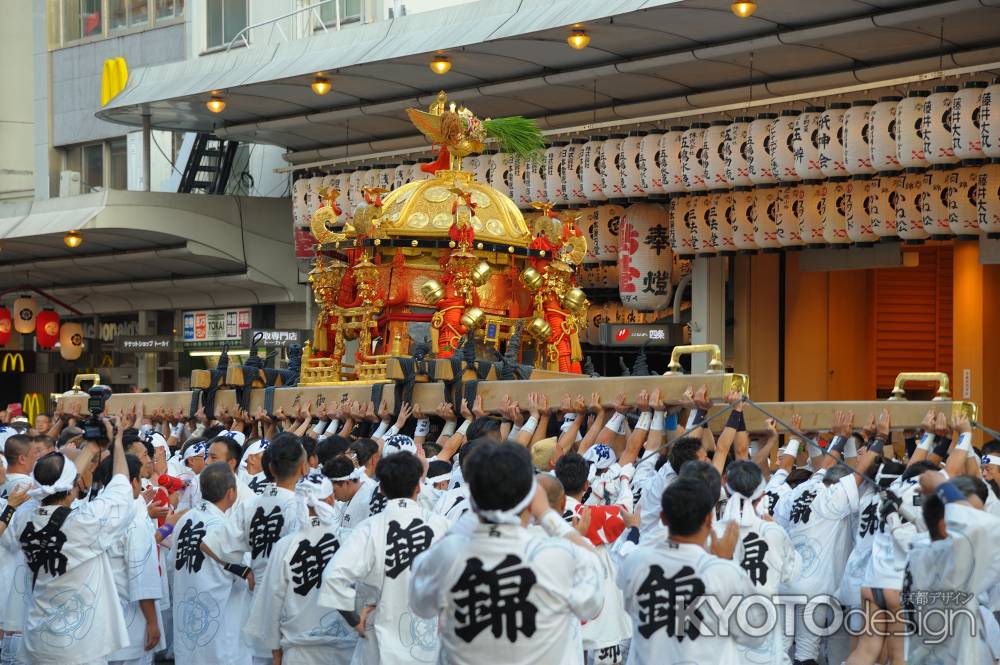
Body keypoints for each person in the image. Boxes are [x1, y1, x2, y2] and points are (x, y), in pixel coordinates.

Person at [410, 441, 604, 665]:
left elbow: (420, 604)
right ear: (531, 496)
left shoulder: (448, 553)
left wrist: (476, 510)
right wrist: (547, 515)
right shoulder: (556, 555)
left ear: (472, 495)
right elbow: (593, 596)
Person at [4, 415, 136, 664]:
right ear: (72, 487)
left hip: (36, 639)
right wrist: (117, 443)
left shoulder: (23, 517)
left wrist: (91, 448)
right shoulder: (84, 522)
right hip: (80, 647)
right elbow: (121, 487)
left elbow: (52, 488)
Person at [320, 451, 450, 664]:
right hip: (429, 643)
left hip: (378, 644)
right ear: (418, 487)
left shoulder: (369, 528)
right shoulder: (442, 526)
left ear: (380, 489)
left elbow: (332, 577)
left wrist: (354, 620)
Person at [617, 477, 763, 663]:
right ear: (709, 519)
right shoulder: (725, 572)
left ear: (663, 518)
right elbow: (754, 634)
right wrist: (725, 562)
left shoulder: (635, 560)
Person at [200, 434, 309, 665]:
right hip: (292, 607)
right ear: (303, 468)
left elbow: (207, 544)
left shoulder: (251, 504)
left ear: (270, 468)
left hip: (258, 602)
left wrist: (242, 570)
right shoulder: (301, 509)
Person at [244, 473, 357, 665]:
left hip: (298, 650)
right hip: (345, 647)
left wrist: (275, 651)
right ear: (331, 499)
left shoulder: (285, 545)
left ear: (298, 502)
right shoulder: (350, 539)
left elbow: (273, 601)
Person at [718, 460, 802, 665]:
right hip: (764, 631)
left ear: (725, 486)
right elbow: (792, 576)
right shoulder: (773, 531)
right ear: (761, 494)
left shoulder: (711, 532)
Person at [170, 463, 252, 665]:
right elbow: (246, 577)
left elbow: (172, 566)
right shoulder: (225, 528)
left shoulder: (184, 520)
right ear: (231, 493)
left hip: (186, 621)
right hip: (220, 632)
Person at [95, 454, 165, 665]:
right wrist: (152, 622)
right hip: (130, 623)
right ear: (134, 482)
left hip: (100, 620)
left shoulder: (93, 514)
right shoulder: (134, 520)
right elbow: (141, 576)